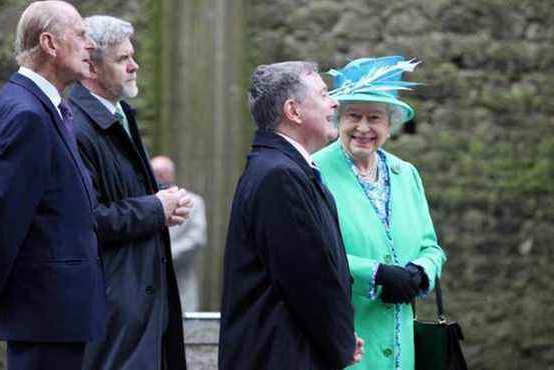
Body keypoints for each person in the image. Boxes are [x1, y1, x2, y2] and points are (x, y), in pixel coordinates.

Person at [0, 0, 106, 370]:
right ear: (49, 44)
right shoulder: (28, 113)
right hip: (46, 313)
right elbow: (4, 214)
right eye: (81, 35)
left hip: (55, 313)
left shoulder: (41, 106)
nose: (91, 45)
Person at [219, 61, 363, 370]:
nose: (335, 102)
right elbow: (307, 278)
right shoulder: (279, 176)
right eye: (324, 95)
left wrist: (341, 334)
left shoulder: (284, 168)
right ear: (293, 111)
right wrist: (340, 340)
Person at [67, 15, 191, 370]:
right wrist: (155, 208)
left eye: (132, 56)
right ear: (90, 66)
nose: (134, 66)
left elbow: (125, 195)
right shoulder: (76, 127)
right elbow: (88, 220)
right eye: (122, 59)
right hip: (115, 308)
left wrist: (165, 204)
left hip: (142, 300)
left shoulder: (119, 113)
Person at [313, 56, 447, 370]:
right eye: (353, 116)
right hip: (345, 344)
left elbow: (431, 247)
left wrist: (420, 272)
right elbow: (310, 254)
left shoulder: (406, 173)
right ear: (337, 120)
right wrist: (376, 273)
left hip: (403, 350)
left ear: (390, 124)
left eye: (374, 117)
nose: (363, 127)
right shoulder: (314, 172)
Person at [151, 155, 207, 312]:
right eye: (155, 172)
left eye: (163, 172)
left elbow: (196, 239)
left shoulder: (193, 202)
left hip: (180, 281)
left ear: (172, 174)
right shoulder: (143, 202)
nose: (159, 176)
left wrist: (165, 254)